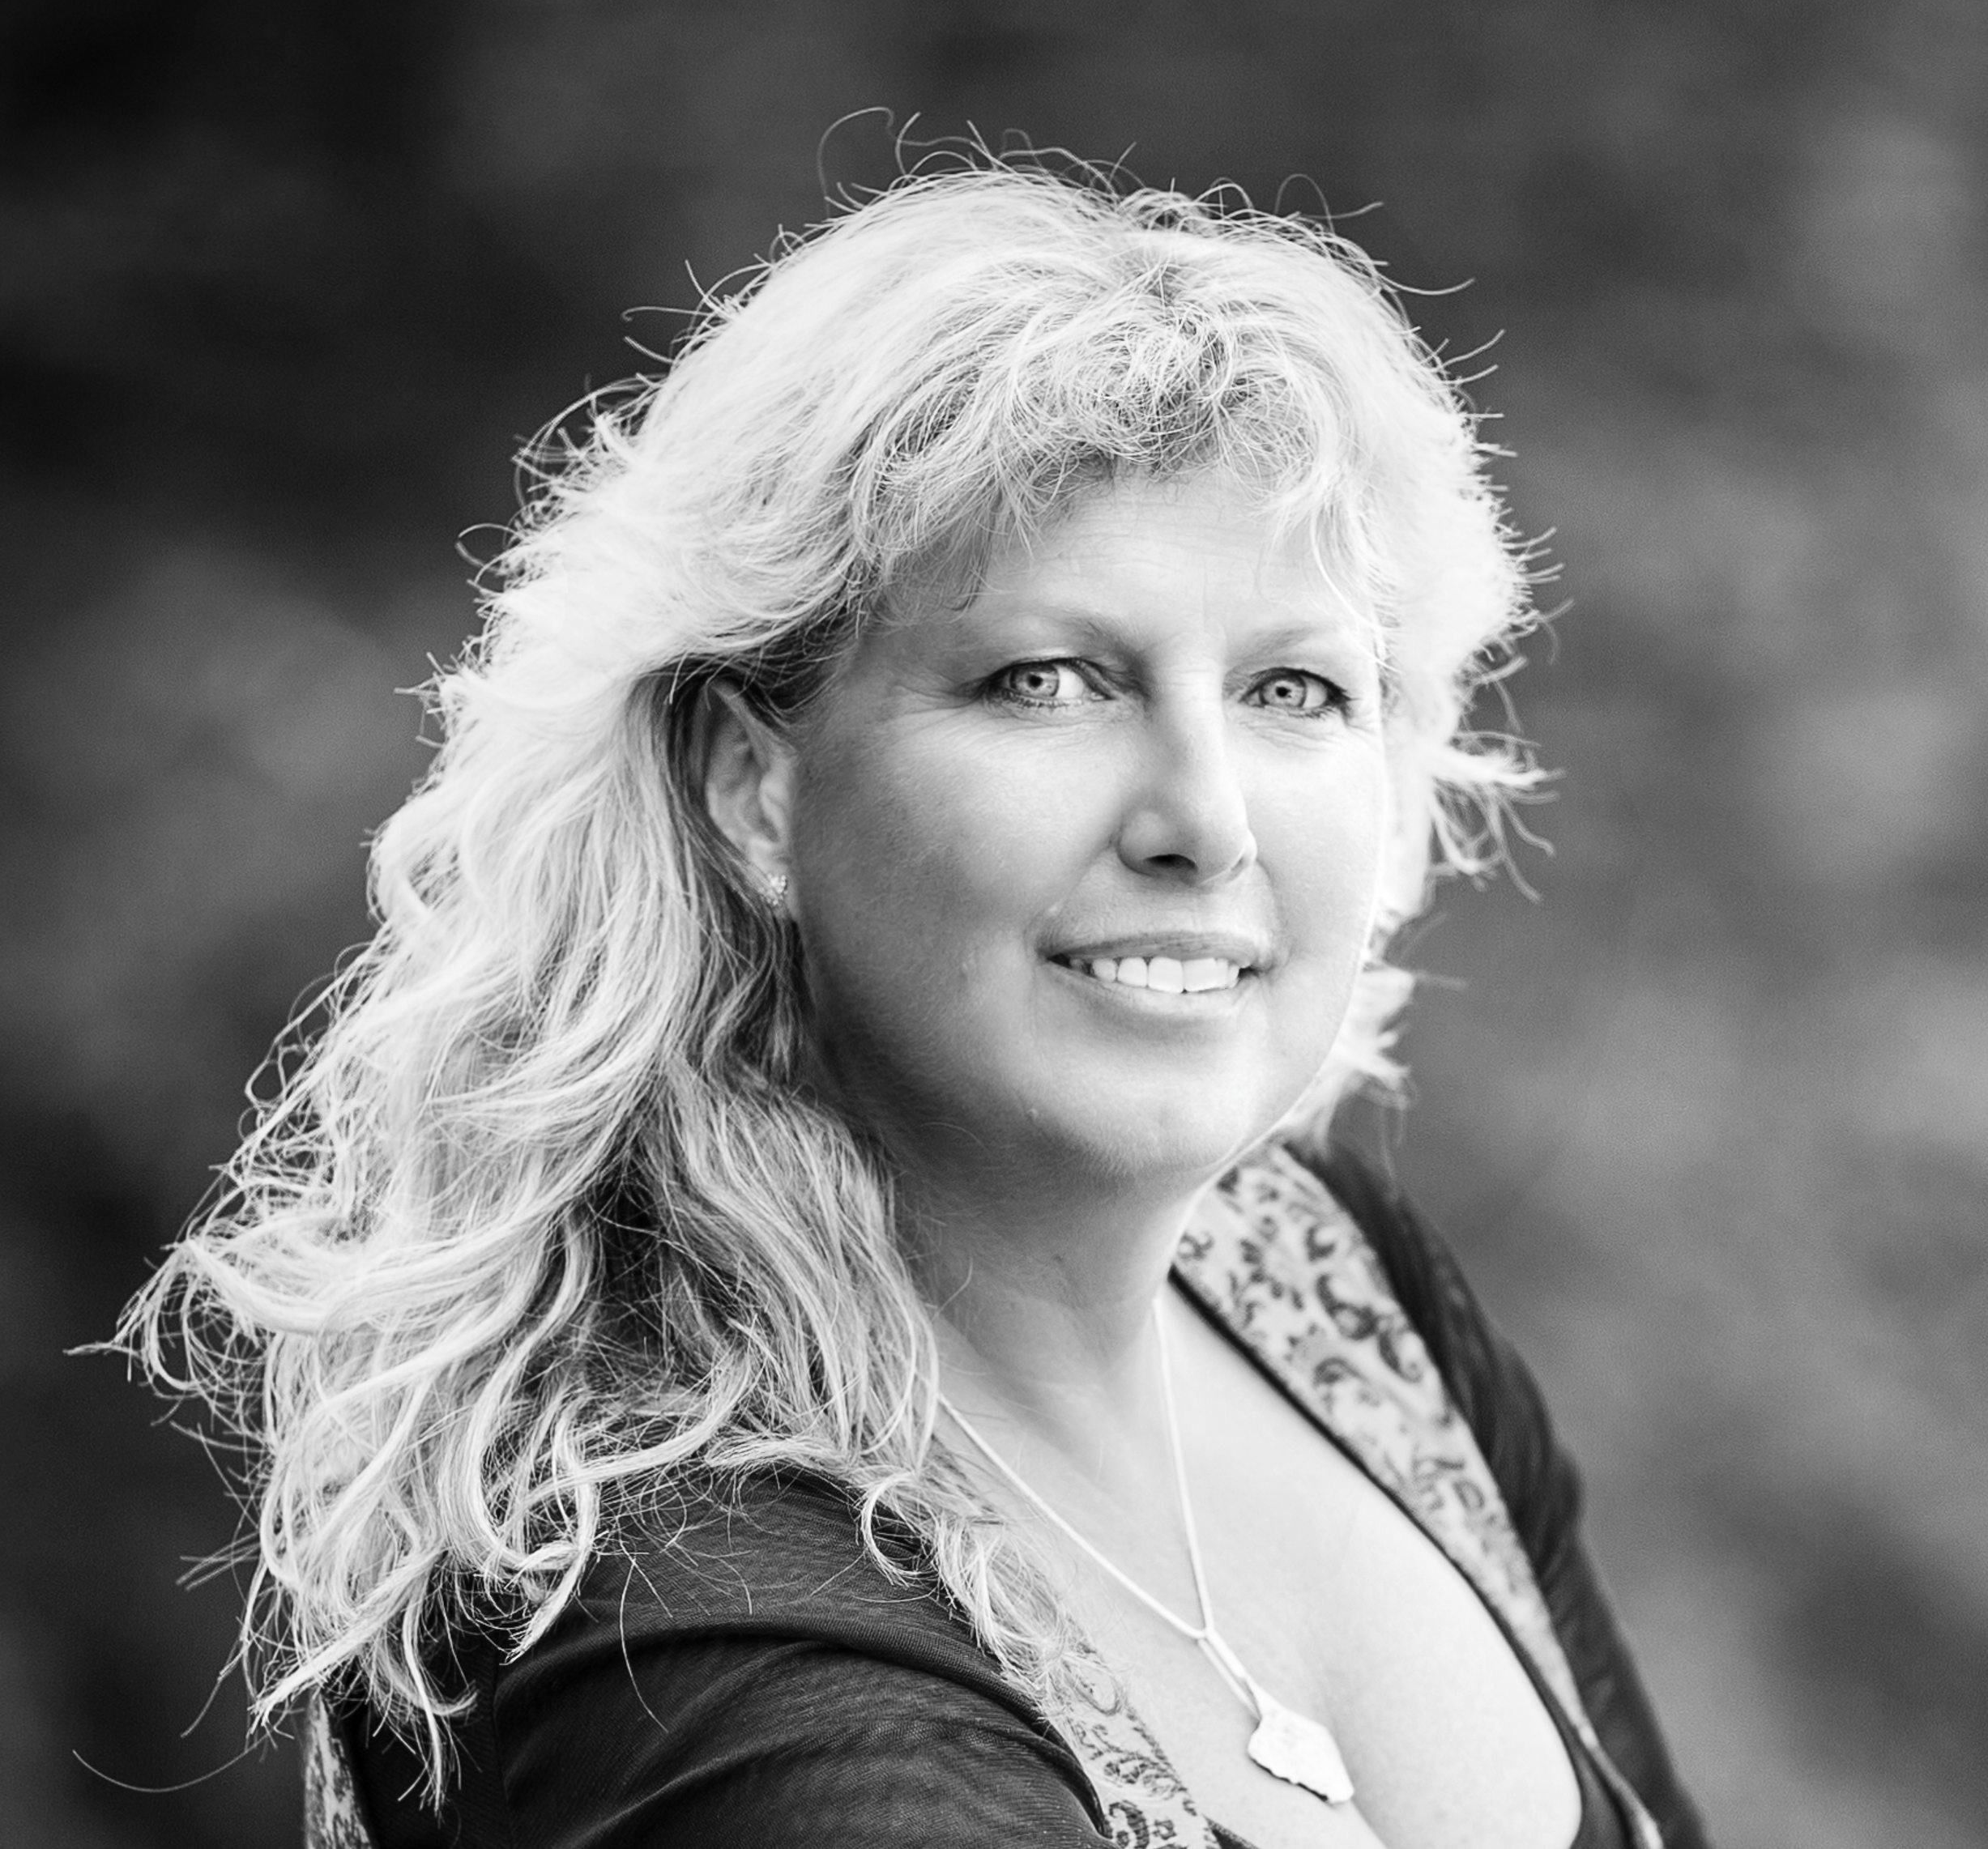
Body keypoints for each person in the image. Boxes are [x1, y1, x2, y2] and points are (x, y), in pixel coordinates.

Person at [126, 159, 1710, 1849]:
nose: (1206, 819)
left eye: (1295, 688)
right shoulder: (679, 1601)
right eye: (1049, 680)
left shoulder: (1337, 1284)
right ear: (751, 787)